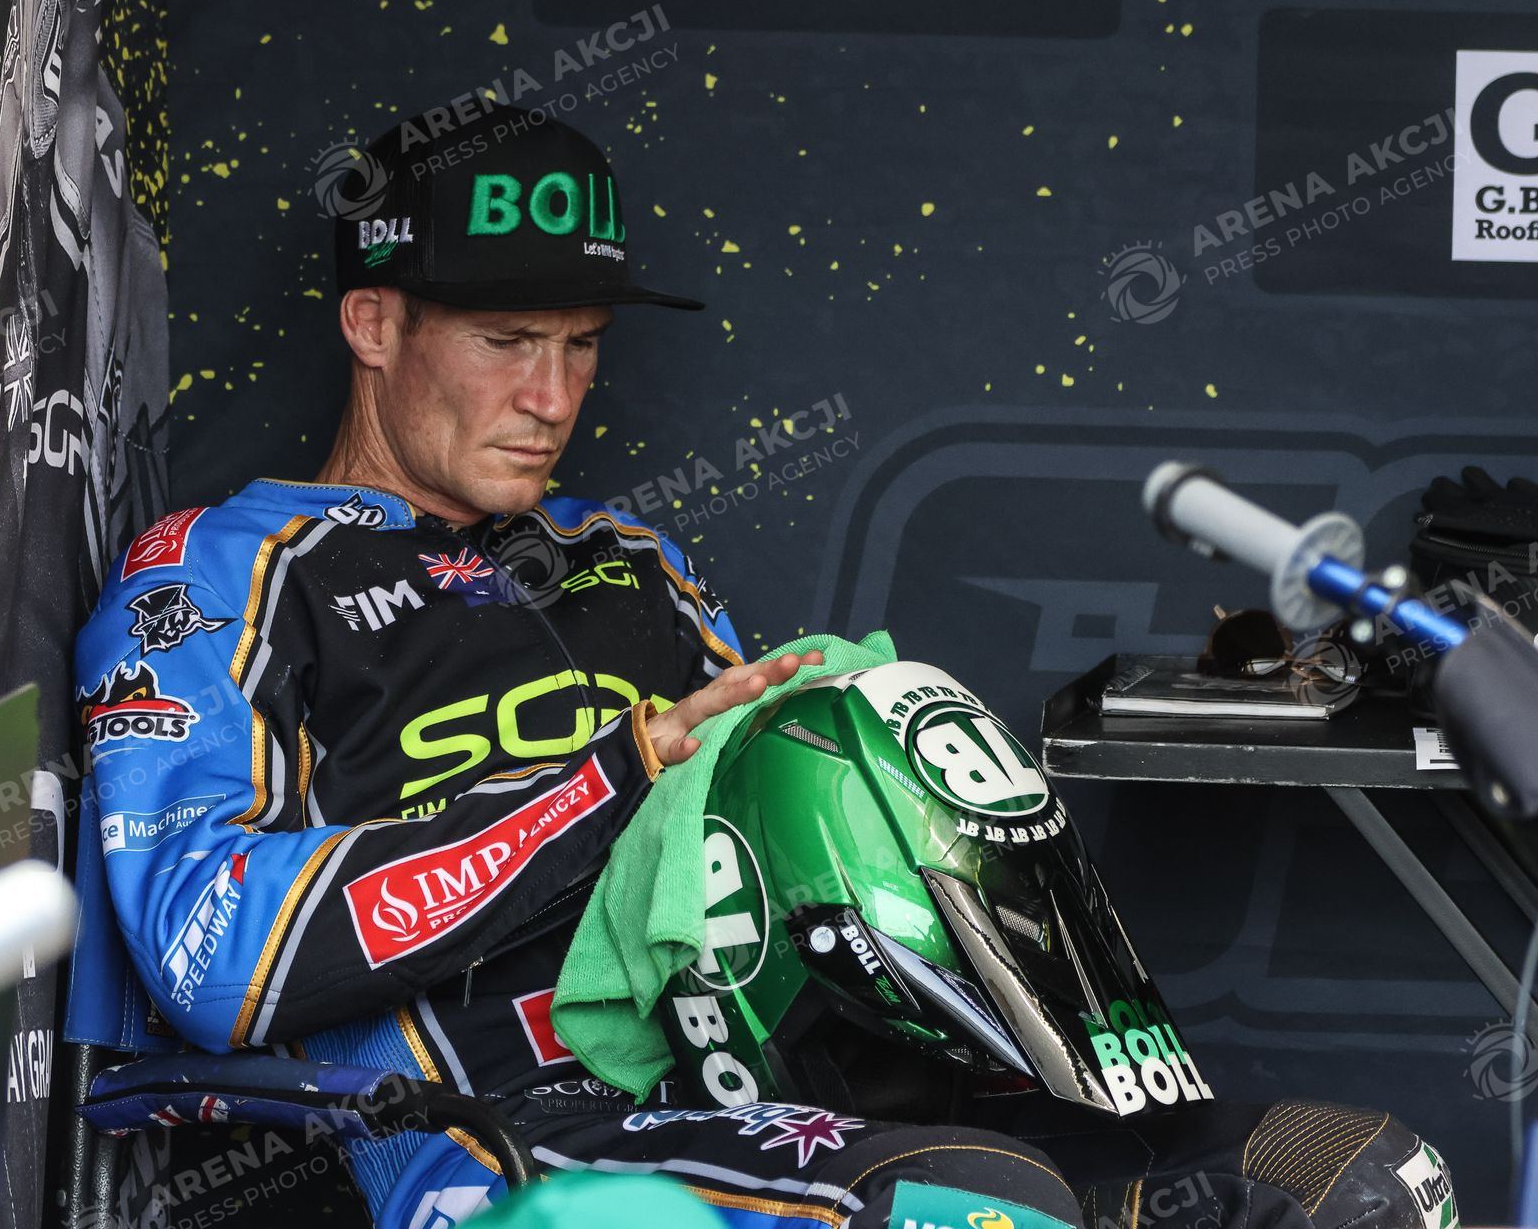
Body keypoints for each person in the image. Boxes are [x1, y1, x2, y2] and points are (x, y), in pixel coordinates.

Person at [74, 105, 1454, 1229]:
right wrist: (608, 783)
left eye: (581, 347)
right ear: (373, 327)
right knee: (972, 1207)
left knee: (1351, 1178)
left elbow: (757, 859)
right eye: (505, 344)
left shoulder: (631, 559)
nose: (551, 399)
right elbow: (208, 954)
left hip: (775, 1099)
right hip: (497, 1143)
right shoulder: (220, 571)